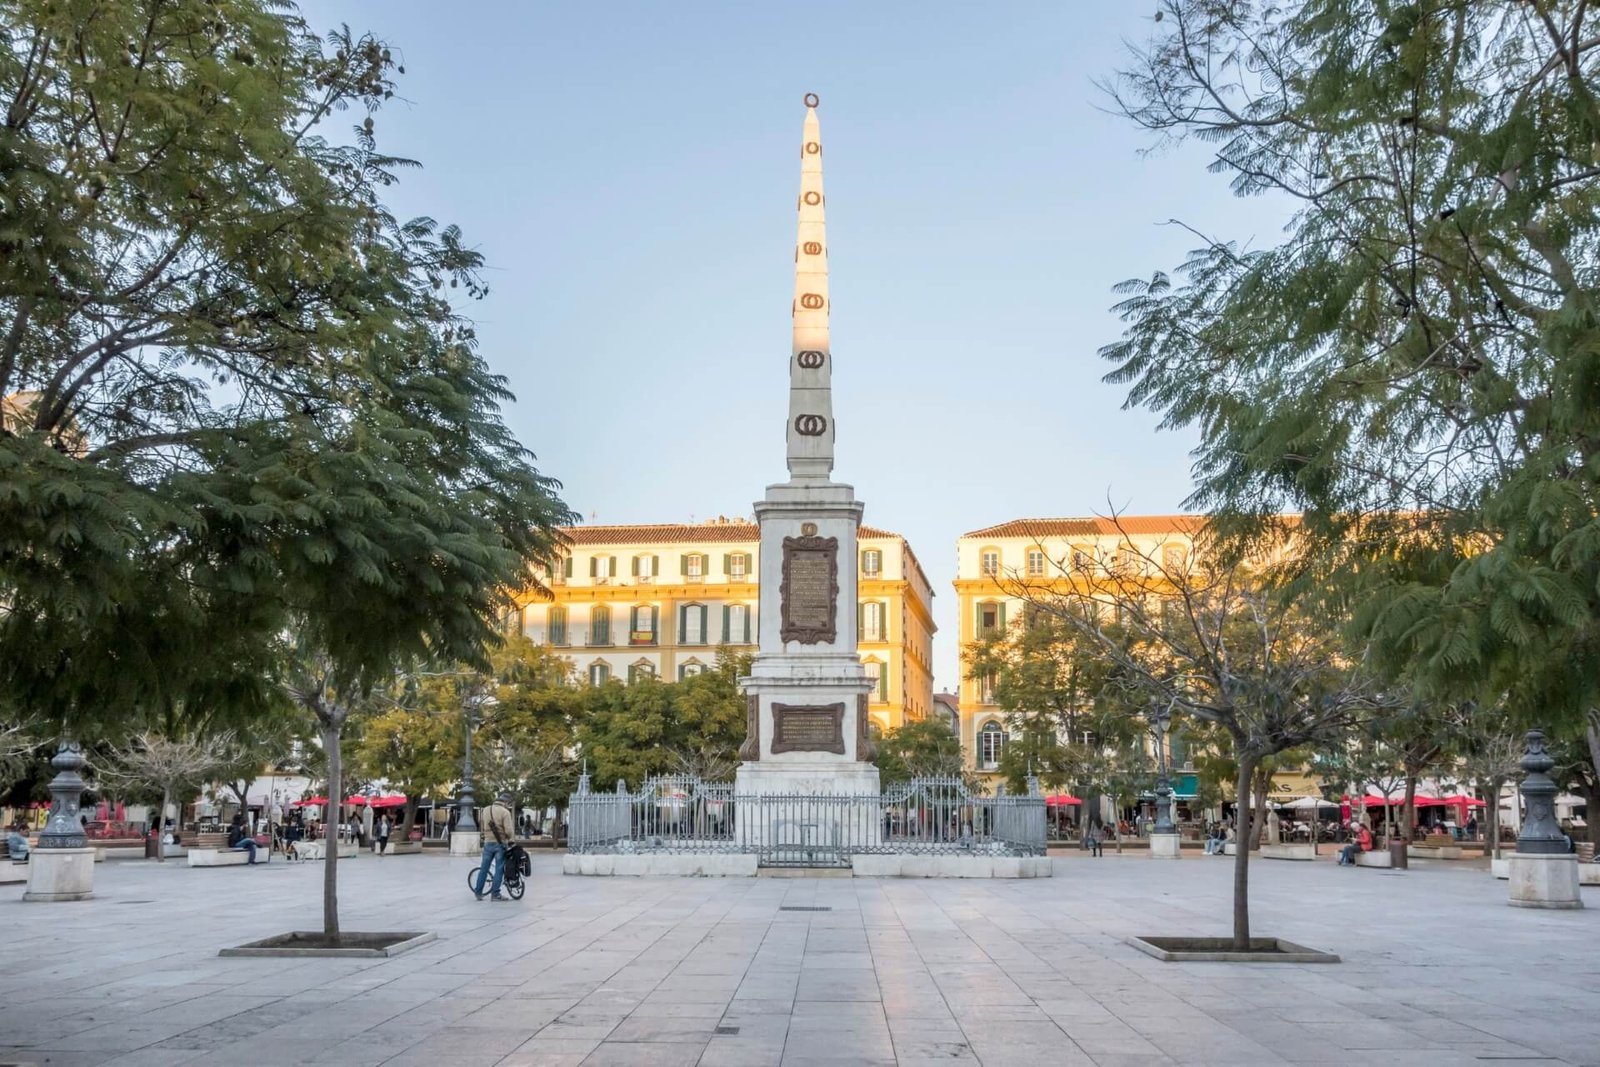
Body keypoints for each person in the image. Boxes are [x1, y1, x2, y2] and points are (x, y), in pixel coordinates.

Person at [475, 792, 516, 901]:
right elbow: (509, 830)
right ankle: (495, 894)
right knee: (499, 869)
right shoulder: (505, 812)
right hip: (500, 844)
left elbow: (482, 825)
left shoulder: (485, 810)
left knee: (484, 868)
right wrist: (509, 839)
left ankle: (478, 892)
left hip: (488, 843)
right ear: (506, 802)